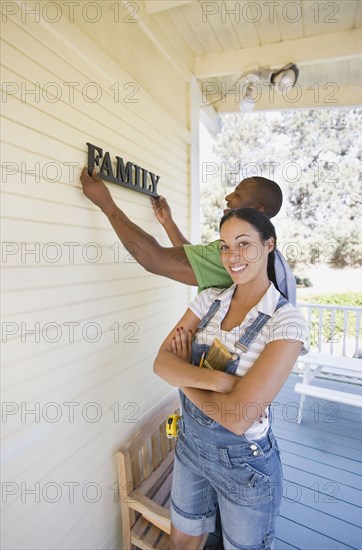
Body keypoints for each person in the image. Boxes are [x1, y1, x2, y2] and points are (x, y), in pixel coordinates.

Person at [153, 208, 308, 550]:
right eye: (224, 246)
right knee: (181, 541)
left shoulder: (287, 323)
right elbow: (161, 363)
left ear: (269, 245)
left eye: (243, 244)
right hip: (190, 448)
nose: (232, 257)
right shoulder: (208, 301)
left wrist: (184, 375)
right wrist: (220, 384)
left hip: (246, 467)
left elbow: (238, 418)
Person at [80, 169, 296, 304]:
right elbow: (193, 260)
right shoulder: (263, 252)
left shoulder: (235, 255)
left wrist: (106, 204)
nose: (228, 197)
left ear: (258, 210)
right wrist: (168, 223)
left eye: (237, 194)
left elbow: (154, 259)